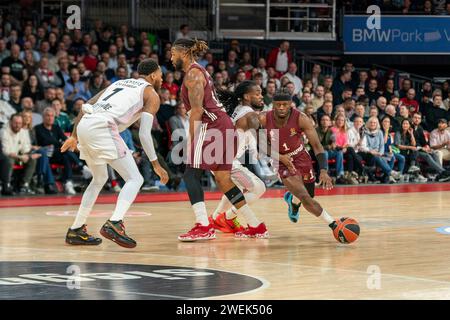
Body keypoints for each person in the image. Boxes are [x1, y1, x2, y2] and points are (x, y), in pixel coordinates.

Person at [60, 59, 169, 248]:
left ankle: (76, 229)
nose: (162, 78)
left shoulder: (119, 83)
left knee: (99, 179)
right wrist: (156, 164)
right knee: (135, 179)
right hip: (103, 127)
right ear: (153, 75)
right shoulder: (151, 93)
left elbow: (88, 104)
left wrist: (74, 135)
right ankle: (115, 223)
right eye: (160, 75)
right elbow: (143, 133)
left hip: (86, 124)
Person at [170, 38, 263, 241]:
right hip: (222, 125)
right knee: (223, 179)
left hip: (211, 126)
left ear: (184, 53)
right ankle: (256, 225)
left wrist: (190, 140)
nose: (170, 57)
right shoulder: (198, 71)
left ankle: (203, 225)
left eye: (173, 53)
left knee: (190, 174)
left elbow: (197, 110)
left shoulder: (193, 74)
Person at [258, 90, 340, 234]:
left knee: (309, 194)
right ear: (273, 105)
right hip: (280, 160)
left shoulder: (301, 118)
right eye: (278, 104)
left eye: (285, 104)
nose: (281, 107)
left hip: (301, 156)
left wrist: (323, 170)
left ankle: (293, 202)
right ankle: (334, 225)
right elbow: (262, 145)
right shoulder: (264, 118)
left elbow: (317, 146)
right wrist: (280, 157)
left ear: (291, 104)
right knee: (304, 197)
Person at [211, 80, 267, 236]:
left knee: (234, 190)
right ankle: (229, 217)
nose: (261, 96)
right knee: (258, 188)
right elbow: (260, 130)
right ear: (247, 97)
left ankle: (216, 218)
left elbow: (248, 133)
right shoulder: (249, 114)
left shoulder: (239, 109)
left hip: (220, 157)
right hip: (226, 160)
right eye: (257, 93)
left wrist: (253, 148)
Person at [1, 114, 39, 194]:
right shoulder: (4, 131)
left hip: (17, 156)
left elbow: (26, 148)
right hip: (4, 157)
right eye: (15, 123)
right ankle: (6, 185)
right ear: (10, 122)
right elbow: (6, 151)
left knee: (32, 160)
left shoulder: (23, 131)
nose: (17, 125)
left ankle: (24, 186)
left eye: (19, 123)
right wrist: (21, 157)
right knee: (9, 161)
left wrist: (28, 155)